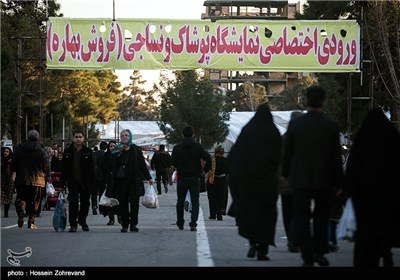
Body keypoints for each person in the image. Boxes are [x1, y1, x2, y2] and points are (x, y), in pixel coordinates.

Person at [281, 85, 344, 267]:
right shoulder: (331, 126)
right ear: (323, 102)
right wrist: (339, 182)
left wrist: (285, 174)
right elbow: (335, 156)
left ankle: (307, 255)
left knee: (301, 216)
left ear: (307, 101)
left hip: (299, 179)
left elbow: (288, 154)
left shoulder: (296, 124)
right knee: (321, 217)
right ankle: (320, 251)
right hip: (324, 179)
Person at [345, 107, 400, 267]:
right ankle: (385, 252)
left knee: (366, 242)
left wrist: (348, 194)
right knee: (384, 233)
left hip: (364, 203)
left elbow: (352, 171)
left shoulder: (362, 143)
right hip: (387, 202)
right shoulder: (393, 140)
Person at [228, 102, 282, 261]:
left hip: (247, 182)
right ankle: (263, 249)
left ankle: (253, 243)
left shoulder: (247, 131)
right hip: (267, 183)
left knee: (251, 214)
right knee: (266, 214)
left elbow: (234, 157)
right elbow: (279, 157)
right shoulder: (273, 132)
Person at [106, 130, 153, 233]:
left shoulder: (136, 150)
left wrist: (148, 178)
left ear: (130, 137)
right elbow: (110, 164)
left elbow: (142, 165)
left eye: (126, 135)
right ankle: (125, 224)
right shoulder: (117, 150)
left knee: (134, 203)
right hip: (121, 182)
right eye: (122, 136)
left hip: (134, 181)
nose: (124, 137)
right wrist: (118, 152)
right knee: (122, 203)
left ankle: (133, 224)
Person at [172, 125, 211, 232]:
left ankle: (180, 222)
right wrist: (205, 170)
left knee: (180, 201)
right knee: (195, 201)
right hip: (195, 177)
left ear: (182, 135)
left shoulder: (177, 148)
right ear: (193, 135)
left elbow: (174, 162)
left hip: (182, 177)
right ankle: (193, 223)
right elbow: (208, 158)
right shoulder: (198, 147)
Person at [10, 130, 50, 229]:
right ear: (38, 138)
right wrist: (46, 174)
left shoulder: (19, 149)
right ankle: (31, 221)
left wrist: (15, 171)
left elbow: (13, 164)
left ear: (27, 137)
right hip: (37, 180)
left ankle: (21, 210)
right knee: (35, 200)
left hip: (22, 179)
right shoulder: (41, 151)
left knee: (20, 197)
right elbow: (46, 166)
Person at [278, 111, 303, 253]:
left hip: (285, 182)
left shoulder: (283, 138)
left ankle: (290, 238)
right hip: (301, 183)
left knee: (287, 212)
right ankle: (297, 238)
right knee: (300, 211)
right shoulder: (306, 139)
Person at [62, 130, 95, 232]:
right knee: (73, 203)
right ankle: (73, 224)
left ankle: (82, 220)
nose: (78, 139)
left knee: (85, 203)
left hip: (85, 181)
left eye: (80, 137)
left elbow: (92, 168)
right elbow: (64, 168)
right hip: (72, 181)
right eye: (76, 137)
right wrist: (63, 182)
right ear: (73, 138)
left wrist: (92, 182)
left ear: (83, 138)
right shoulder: (67, 151)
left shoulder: (88, 151)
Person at [207, 145, 229, 221]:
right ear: (222, 153)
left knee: (212, 197)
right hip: (222, 180)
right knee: (221, 197)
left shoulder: (211, 160)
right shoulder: (225, 160)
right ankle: (219, 215)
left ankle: (212, 215)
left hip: (212, 180)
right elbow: (228, 171)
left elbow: (206, 169)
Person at [102, 140, 117, 225]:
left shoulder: (119, 156)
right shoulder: (106, 156)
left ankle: (119, 216)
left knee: (118, 200)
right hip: (108, 181)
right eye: (111, 146)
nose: (112, 148)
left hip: (118, 181)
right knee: (109, 201)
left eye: (114, 146)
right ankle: (111, 218)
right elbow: (103, 169)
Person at [92, 141, 107, 215]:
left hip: (94, 176)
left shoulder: (94, 154)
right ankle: (101, 208)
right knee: (102, 193)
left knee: (94, 193)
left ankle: (94, 206)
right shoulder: (105, 155)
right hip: (103, 177)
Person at [1, 147, 14, 218]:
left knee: (8, 196)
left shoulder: (11, 161)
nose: (5, 153)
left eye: (7, 151)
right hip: (2, 179)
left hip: (9, 180)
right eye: (4, 151)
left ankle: (6, 212)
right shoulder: (1, 160)